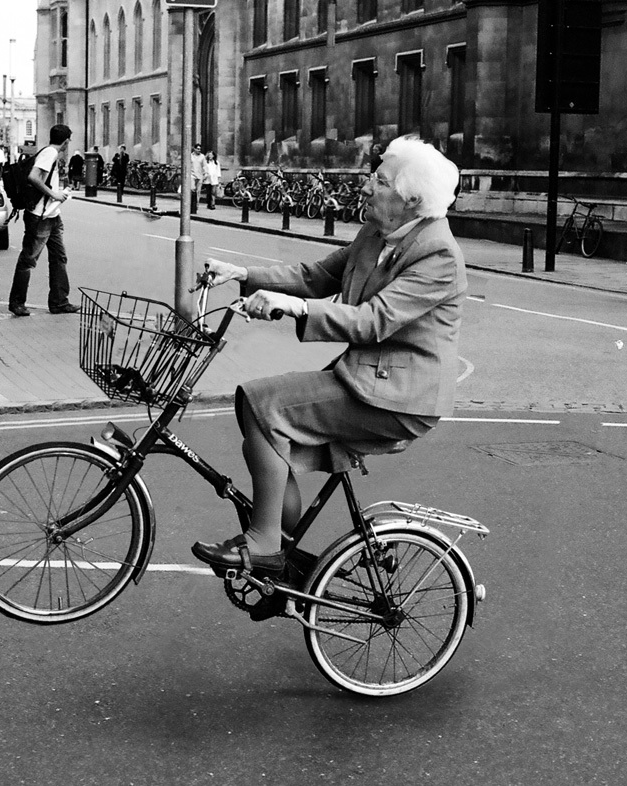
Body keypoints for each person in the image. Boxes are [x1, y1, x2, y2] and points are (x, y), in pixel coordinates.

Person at [191, 135, 465, 577]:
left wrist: (294, 308)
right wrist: (242, 274)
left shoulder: (438, 254)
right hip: (367, 377)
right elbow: (317, 276)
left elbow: (373, 321)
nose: (364, 186)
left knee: (266, 403)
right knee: (255, 409)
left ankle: (265, 546)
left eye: (379, 180)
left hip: (400, 396)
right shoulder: (376, 233)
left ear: (410, 199)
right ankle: (284, 543)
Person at [8, 124, 80, 317]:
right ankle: (17, 302)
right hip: (40, 217)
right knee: (28, 259)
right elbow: (33, 177)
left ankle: (59, 301)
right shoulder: (50, 153)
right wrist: (55, 195)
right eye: (68, 141)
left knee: (59, 257)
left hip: (51, 216)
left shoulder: (48, 152)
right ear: (65, 141)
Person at [190, 142, 206, 213]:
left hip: (200, 175)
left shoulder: (202, 157)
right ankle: (191, 204)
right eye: (198, 149)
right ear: (194, 149)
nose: (199, 150)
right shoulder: (190, 156)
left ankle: (196, 205)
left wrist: (205, 174)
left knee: (198, 191)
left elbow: (205, 166)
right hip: (192, 175)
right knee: (192, 189)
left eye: (200, 149)